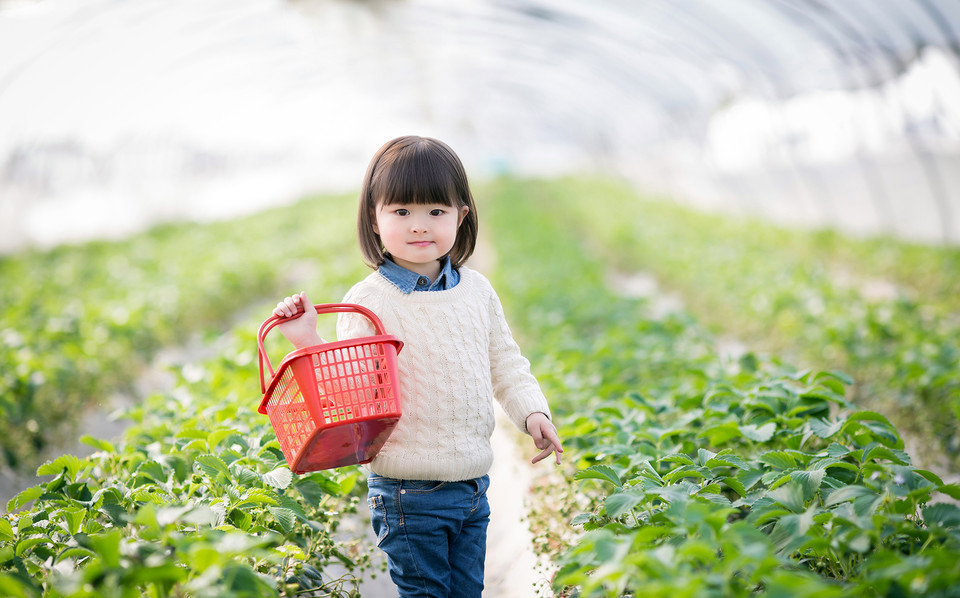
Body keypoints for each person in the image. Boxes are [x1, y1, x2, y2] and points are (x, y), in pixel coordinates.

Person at [271, 135, 563, 598]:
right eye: (401, 212)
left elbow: (504, 360)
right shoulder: (368, 302)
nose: (419, 226)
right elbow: (348, 396)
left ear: (462, 215)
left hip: (472, 484)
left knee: (468, 592)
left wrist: (533, 413)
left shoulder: (477, 291)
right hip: (408, 492)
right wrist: (307, 339)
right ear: (374, 216)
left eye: (436, 211)